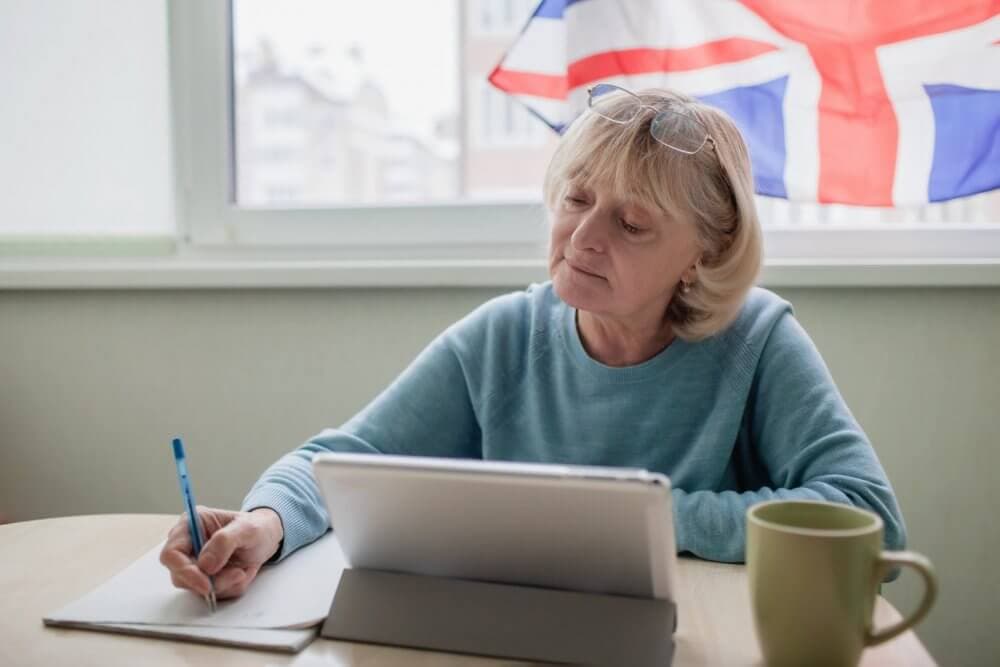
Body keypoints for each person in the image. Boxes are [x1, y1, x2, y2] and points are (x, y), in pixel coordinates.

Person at [160, 85, 907, 600]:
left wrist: (648, 520)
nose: (582, 236)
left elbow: (867, 516)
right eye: (577, 198)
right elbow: (340, 459)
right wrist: (264, 523)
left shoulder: (759, 339)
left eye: (631, 222)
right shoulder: (505, 334)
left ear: (702, 256)